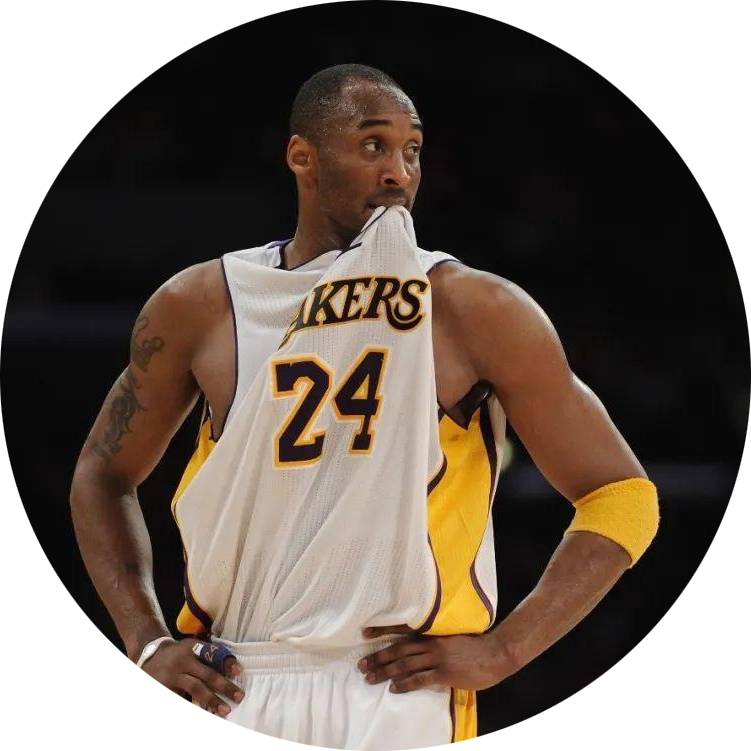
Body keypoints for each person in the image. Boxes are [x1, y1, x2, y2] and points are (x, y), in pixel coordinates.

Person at [70, 64, 659, 749]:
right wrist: (145, 642)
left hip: (393, 684)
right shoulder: (202, 303)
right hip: (228, 676)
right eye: (373, 144)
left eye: (412, 150)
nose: (398, 172)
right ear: (303, 157)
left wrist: (506, 650)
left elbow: (623, 496)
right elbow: (100, 475)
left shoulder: (473, 306)